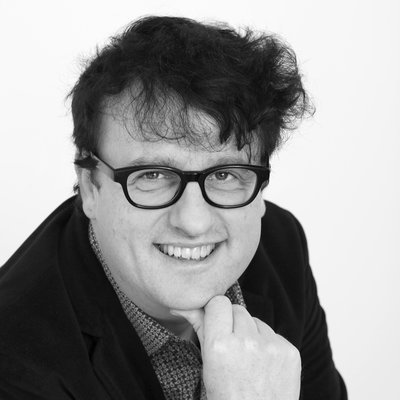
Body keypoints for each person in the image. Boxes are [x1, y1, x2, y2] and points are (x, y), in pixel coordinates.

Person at [0, 15, 347, 400]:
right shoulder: (14, 362)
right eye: (152, 175)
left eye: (224, 174)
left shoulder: (281, 249)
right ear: (90, 187)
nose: (194, 222)